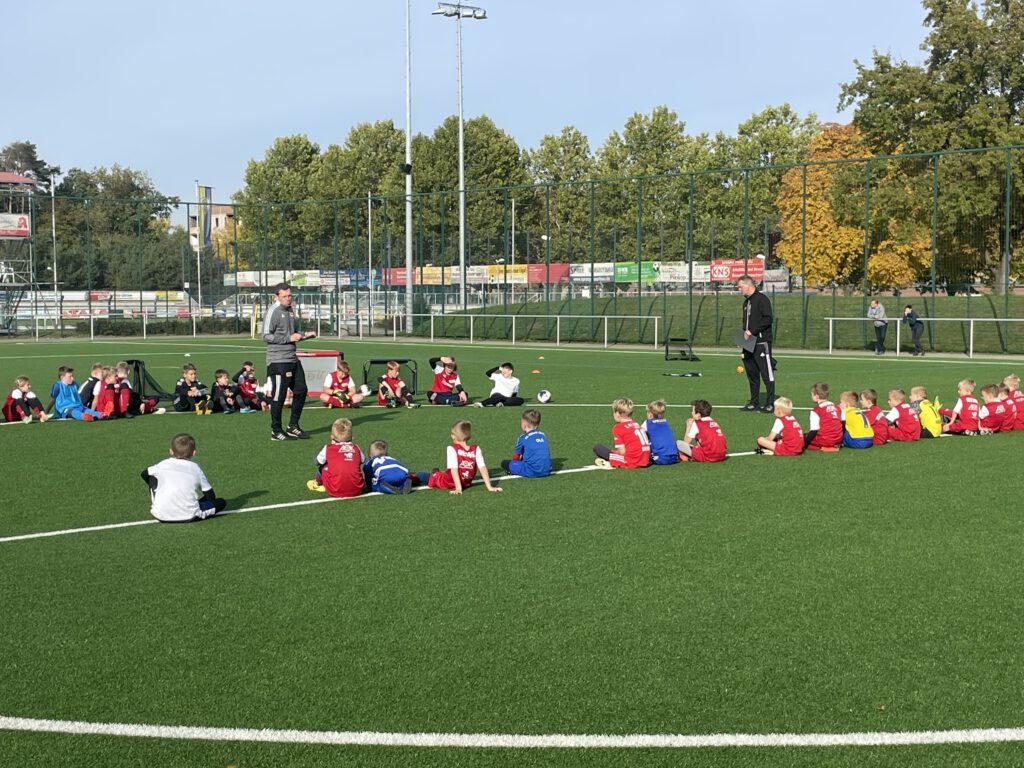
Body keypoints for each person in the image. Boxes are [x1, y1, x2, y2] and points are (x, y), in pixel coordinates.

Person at [262, 282, 316, 440]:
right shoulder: (273, 311)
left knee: (301, 390)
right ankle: (276, 431)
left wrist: (305, 335)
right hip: (278, 361)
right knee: (279, 396)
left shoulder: (291, 310)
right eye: (284, 296)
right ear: (276, 297)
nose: (288, 298)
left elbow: (293, 335)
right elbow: (265, 336)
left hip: (292, 358)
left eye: (289, 295)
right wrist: (288, 338)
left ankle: (293, 426)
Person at [141, 433, 227, 522]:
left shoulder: (162, 465)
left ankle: (160, 503)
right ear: (194, 453)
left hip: (160, 514)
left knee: (152, 475)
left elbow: (144, 473)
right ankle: (188, 506)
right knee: (221, 502)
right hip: (189, 515)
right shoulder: (195, 468)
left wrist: (159, 488)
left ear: (171, 451)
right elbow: (210, 496)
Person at [418, 420, 502, 494]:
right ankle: (414, 477)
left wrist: (458, 488)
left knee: (433, 477)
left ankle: (430, 474)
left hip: (447, 482)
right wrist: (490, 487)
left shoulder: (452, 448)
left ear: (453, 436)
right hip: (449, 480)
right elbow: (482, 468)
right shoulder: (475, 449)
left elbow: (455, 470)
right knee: (429, 477)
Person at [737, 274, 775, 412]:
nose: (739, 289)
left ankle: (770, 403)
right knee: (752, 374)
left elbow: (768, 319)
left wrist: (752, 331)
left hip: (761, 342)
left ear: (748, 285)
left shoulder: (762, 299)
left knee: (766, 373)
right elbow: (745, 324)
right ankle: (754, 402)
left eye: (740, 287)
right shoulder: (746, 303)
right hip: (748, 344)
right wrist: (742, 340)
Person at [307, 418, 365, 497]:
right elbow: (362, 460)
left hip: (335, 490)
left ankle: (318, 482)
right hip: (358, 490)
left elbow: (317, 462)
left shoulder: (328, 448)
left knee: (324, 466)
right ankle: (351, 483)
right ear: (352, 437)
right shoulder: (356, 448)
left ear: (331, 437)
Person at [593, 397, 651, 469]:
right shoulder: (636, 424)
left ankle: (609, 462)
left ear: (617, 414)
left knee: (598, 448)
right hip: (645, 460)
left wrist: (616, 453)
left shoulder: (618, 428)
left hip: (633, 461)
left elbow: (622, 452)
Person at [500, 408, 551, 478]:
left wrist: (515, 462)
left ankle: (513, 471)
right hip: (547, 470)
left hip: (532, 471)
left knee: (504, 463)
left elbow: (516, 456)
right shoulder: (543, 435)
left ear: (524, 424)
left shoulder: (522, 438)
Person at [677, 399, 727, 463]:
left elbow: (686, 442)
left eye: (693, 411)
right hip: (722, 455)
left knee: (678, 444)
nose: (691, 413)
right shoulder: (713, 422)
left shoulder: (698, 423)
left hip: (708, 456)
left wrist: (688, 426)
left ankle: (687, 457)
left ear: (698, 415)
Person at [803, 381, 843, 451]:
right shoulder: (837, 407)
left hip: (825, 440)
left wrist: (805, 444)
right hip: (838, 439)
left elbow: (814, 430)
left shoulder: (816, 410)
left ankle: (823, 448)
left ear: (816, 396)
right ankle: (833, 446)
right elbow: (843, 422)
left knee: (802, 439)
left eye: (812, 395)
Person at [642, 399, 679, 466]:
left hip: (661, 458)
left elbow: (640, 433)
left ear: (650, 414)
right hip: (674, 457)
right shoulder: (666, 422)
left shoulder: (647, 423)